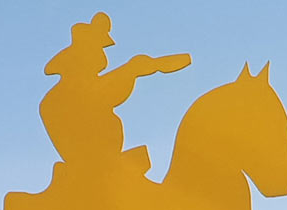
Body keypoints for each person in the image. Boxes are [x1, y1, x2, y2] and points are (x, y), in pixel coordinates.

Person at [39, 12, 190, 178]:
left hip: (105, 160)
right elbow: (104, 94)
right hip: (94, 163)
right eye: (96, 51)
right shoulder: (63, 96)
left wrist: (132, 69)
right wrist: (131, 69)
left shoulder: (71, 92)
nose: (101, 59)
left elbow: (105, 90)